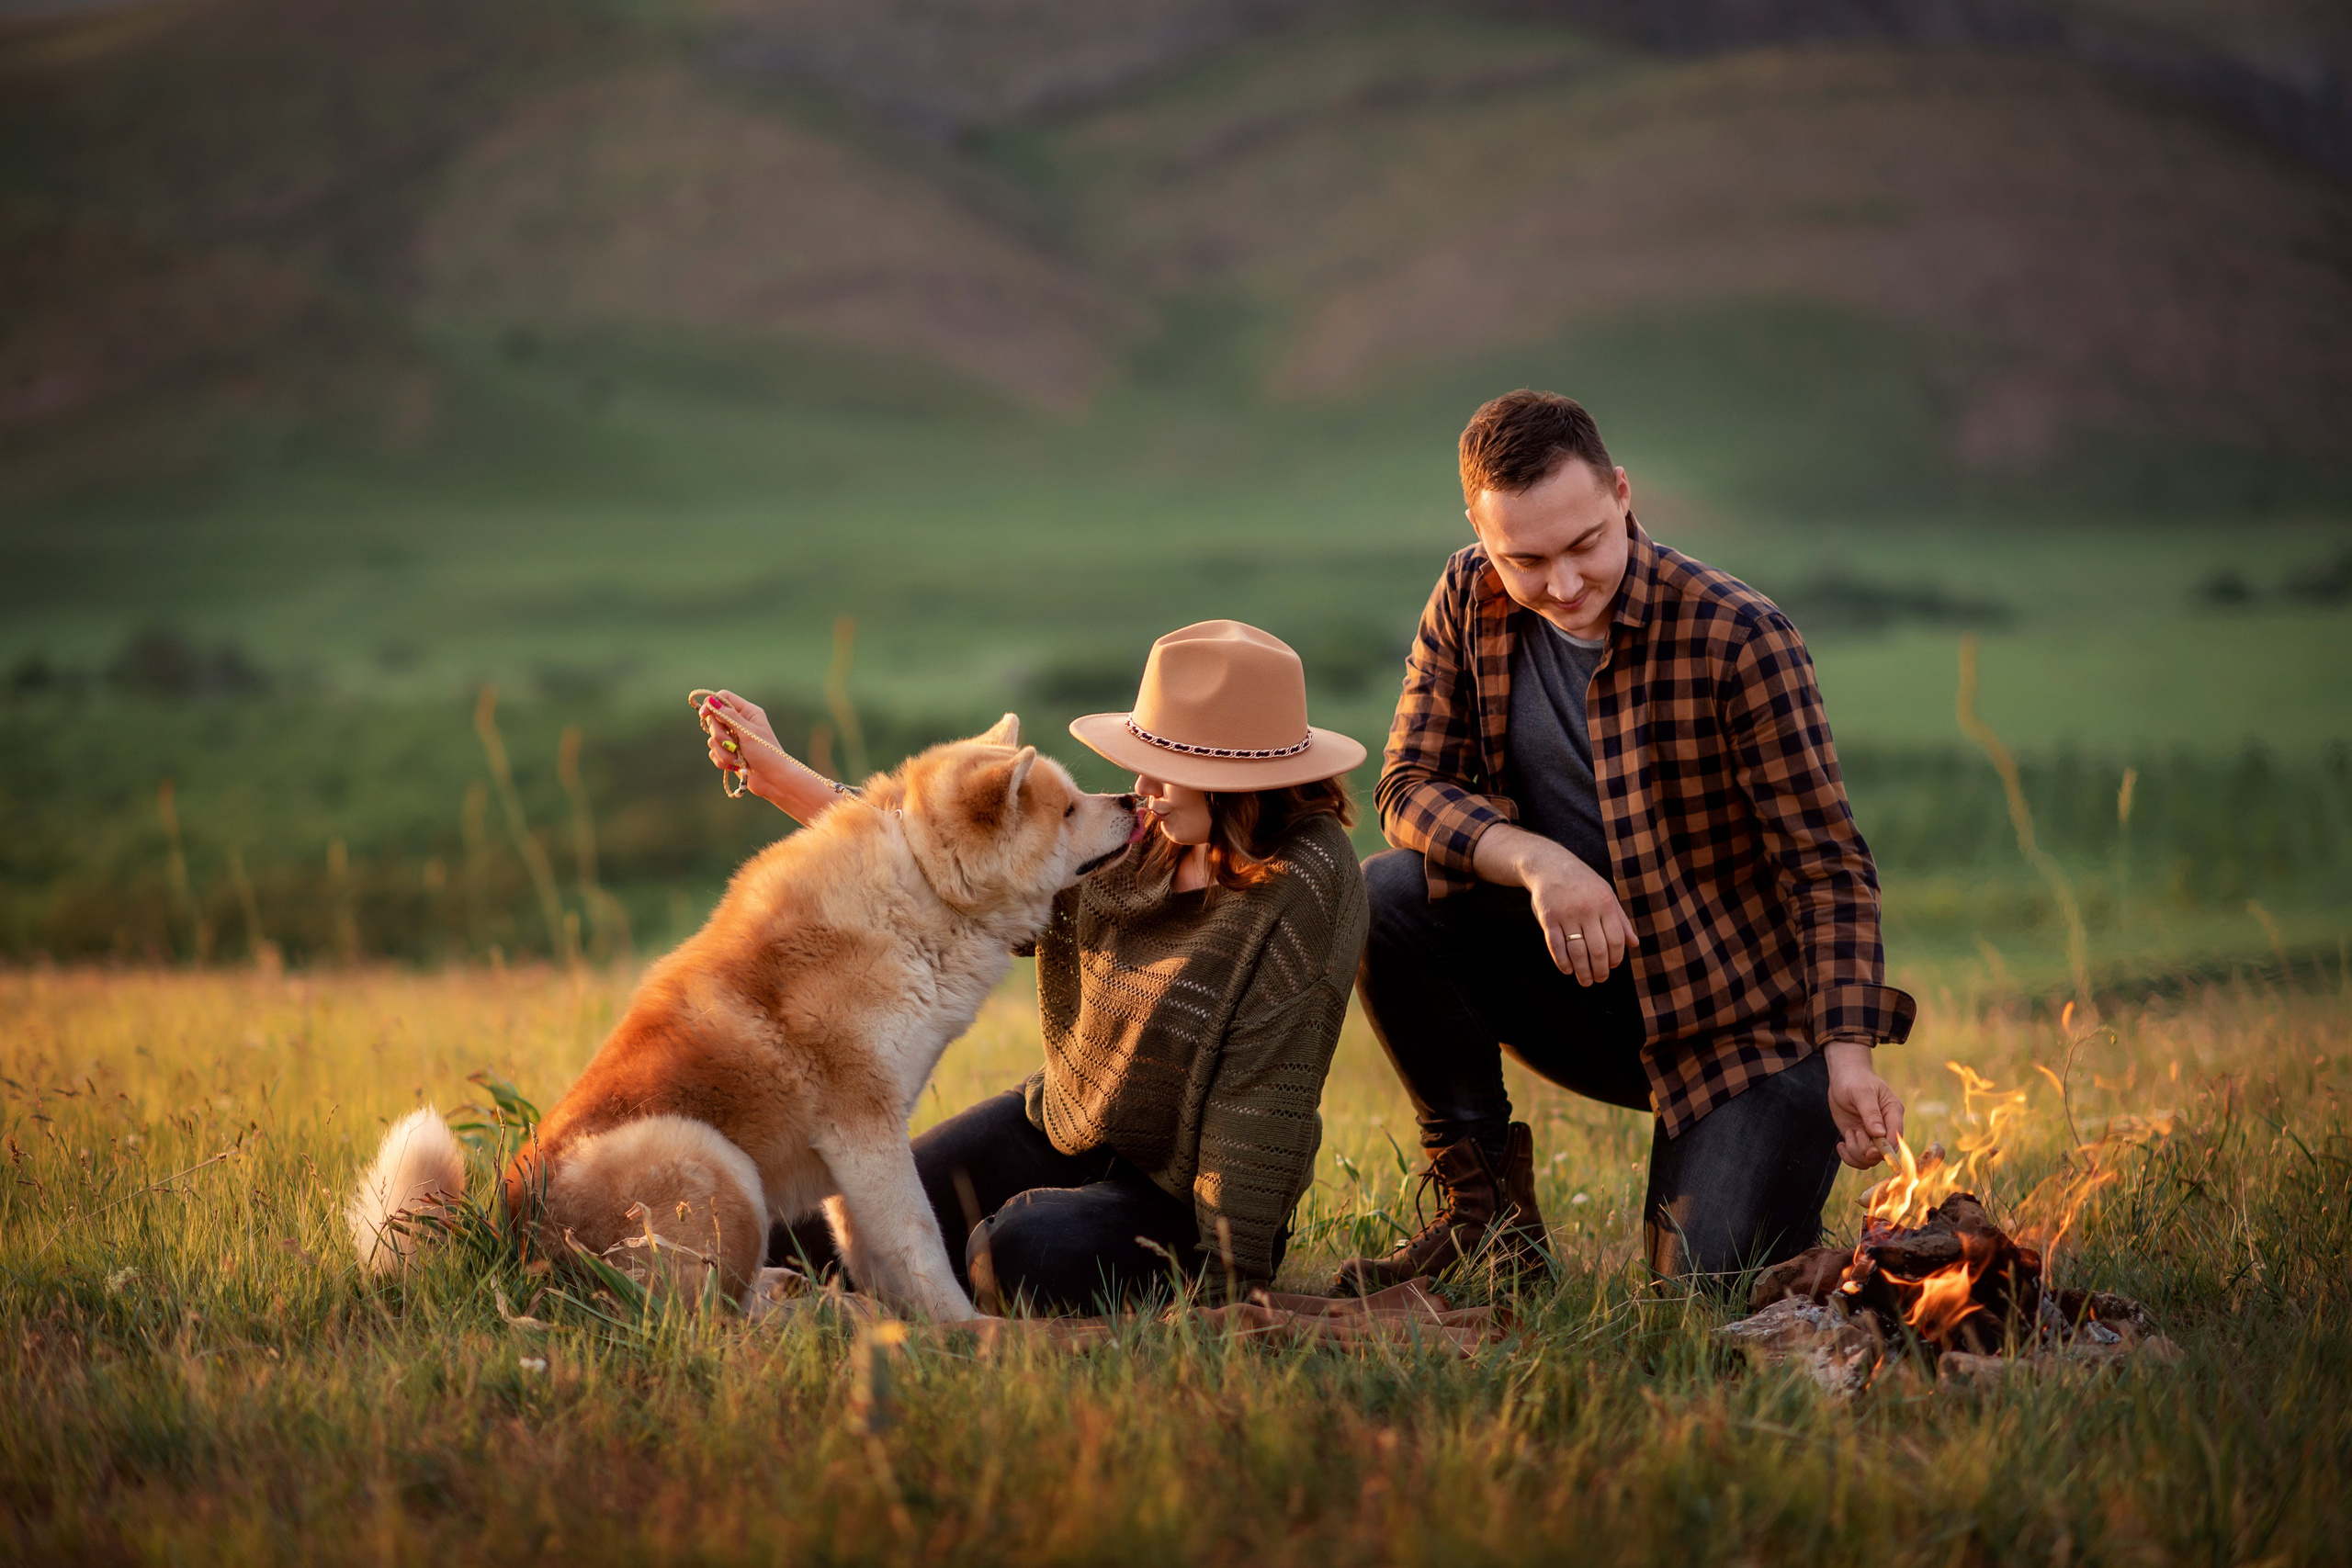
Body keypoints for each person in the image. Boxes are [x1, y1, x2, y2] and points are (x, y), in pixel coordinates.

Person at [1335, 389, 1917, 1294]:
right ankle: (1486, 1224)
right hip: (1587, 992)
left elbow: (1827, 867)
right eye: (1524, 558)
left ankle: (1751, 1159)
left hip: (1742, 1032)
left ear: (1620, 493)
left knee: (1697, 1298)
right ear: (1479, 532)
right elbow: (1408, 786)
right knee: (1388, 896)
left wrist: (1849, 1056)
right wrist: (1540, 861)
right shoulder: (1466, 592)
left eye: (1584, 546)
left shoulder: (1740, 636)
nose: (1561, 585)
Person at [700, 620, 1369, 1311]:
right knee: (805, 1225)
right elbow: (956, 871)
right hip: (1064, 1122)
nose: (1141, 785)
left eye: (1165, 766)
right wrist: (781, 778)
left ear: (1233, 778)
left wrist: (1228, 1274)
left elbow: (1259, 1098)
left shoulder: (1305, 885)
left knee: (1016, 1254)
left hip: (1188, 1195)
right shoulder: (1149, 836)